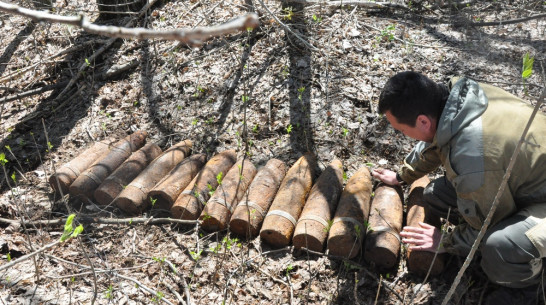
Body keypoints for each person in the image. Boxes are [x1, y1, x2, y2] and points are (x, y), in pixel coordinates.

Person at [371, 71, 546, 305]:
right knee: (436, 194)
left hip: (539, 199)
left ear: (422, 121)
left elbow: (486, 225)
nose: (404, 135)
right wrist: (404, 175)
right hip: (525, 180)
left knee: (500, 246)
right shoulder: (460, 97)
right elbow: (435, 140)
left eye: (402, 130)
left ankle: (528, 288)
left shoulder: (471, 154)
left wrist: (446, 242)